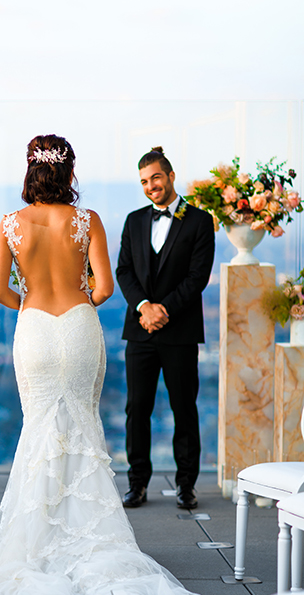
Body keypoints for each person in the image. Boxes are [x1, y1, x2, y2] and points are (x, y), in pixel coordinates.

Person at [0, 135, 244, 595]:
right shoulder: (89, 219)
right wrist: (74, 301)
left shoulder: (9, 223)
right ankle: (89, 537)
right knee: (82, 431)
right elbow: (103, 288)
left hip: (33, 332)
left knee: (38, 431)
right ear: (69, 172)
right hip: (76, 328)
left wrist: (29, 304)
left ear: (29, 171)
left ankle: (38, 540)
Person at [116, 146, 215, 511]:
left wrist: (163, 310)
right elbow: (123, 271)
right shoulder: (133, 220)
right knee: (136, 409)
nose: (150, 186)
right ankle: (136, 483)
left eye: (155, 177)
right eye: (144, 181)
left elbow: (197, 278)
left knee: (183, 408)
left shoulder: (200, 221)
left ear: (171, 177)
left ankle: (186, 486)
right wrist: (144, 307)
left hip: (180, 331)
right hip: (139, 331)